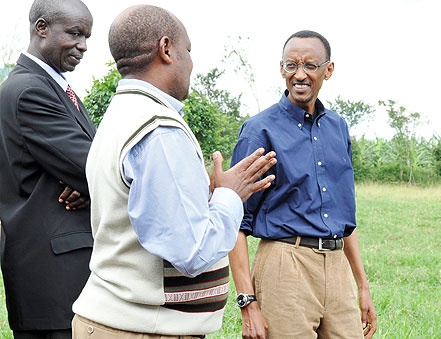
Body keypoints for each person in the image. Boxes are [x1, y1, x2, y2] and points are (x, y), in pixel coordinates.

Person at [71, 5, 276, 339]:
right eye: (188, 51)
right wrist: (229, 196)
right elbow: (191, 252)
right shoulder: (158, 130)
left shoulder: (122, 113)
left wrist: (203, 197)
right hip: (141, 329)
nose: (191, 63)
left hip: (118, 323)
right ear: (166, 49)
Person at [229, 30, 377, 339]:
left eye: (310, 65)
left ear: (328, 70)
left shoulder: (338, 127)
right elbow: (234, 222)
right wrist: (247, 303)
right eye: (291, 65)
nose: (300, 74)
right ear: (281, 68)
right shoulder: (260, 131)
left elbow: (345, 218)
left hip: (337, 269)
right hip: (285, 265)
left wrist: (362, 286)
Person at [0, 0, 95, 338]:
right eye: (75, 33)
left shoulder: (55, 87)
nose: (83, 46)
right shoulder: (29, 91)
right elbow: (93, 166)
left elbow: (85, 167)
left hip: (62, 278)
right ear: (42, 28)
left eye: (86, 37)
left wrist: (85, 183)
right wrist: (88, 181)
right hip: (54, 281)